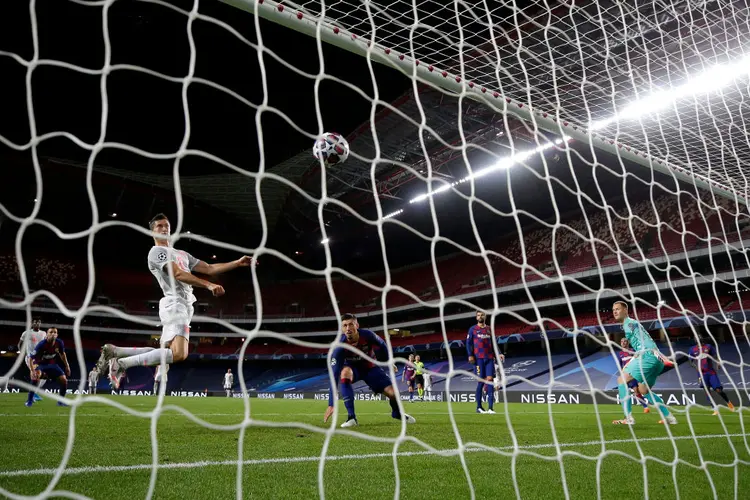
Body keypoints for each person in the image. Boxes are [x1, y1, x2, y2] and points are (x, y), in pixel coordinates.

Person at [96, 213, 255, 388]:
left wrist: (237, 263)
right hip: (174, 304)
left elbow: (209, 268)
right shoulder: (156, 252)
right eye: (159, 226)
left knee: (167, 352)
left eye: (167, 225)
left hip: (185, 305)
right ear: (152, 232)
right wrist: (209, 285)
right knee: (179, 354)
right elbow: (178, 274)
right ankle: (121, 364)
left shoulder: (181, 254)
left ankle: (116, 352)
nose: (164, 228)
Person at [323, 314, 416, 427]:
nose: (348, 328)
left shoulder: (367, 335)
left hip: (371, 368)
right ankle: (351, 418)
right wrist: (331, 404)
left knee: (394, 393)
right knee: (344, 372)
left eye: (351, 324)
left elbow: (382, 344)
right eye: (345, 325)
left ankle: (397, 414)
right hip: (353, 370)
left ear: (357, 325)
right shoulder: (339, 348)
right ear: (342, 328)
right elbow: (334, 376)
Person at [611, 301, 677, 425]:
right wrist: (662, 357)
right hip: (656, 359)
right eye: (613, 309)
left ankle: (628, 418)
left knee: (621, 380)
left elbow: (644, 342)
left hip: (646, 356)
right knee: (643, 390)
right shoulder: (631, 325)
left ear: (625, 310)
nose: (615, 311)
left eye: (618, 309)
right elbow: (647, 340)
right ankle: (669, 417)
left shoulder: (630, 323)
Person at [466, 310, 504, 414]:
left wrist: (499, 353)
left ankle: (491, 408)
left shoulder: (489, 329)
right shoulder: (472, 329)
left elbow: (494, 343)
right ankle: (479, 407)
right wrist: (470, 355)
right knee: (481, 382)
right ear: (476, 317)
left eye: (482, 315)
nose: (480, 316)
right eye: (478, 315)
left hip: (489, 358)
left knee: (490, 381)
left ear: (485, 317)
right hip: (478, 359)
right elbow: (468, 343)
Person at [689, 337, 735, 415]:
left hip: (711, 372)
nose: (702, 342)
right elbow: (690, 361)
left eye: (702, 341)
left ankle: (728, 402)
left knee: (718, 390)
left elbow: (715, 355)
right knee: (707, 391)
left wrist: (718, 362)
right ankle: (715, 409)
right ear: (697, 342)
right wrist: (697, 368)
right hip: (702, 374)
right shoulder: (692, 349)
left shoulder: (708, 346)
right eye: (700, 341)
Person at [26, 327, 70, 407]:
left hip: (52, 365)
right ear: (47, 335)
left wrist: (67, 366)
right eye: (51, 332)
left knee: (64, 380)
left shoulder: (59, 343)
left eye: (55, 332)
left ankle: (60, 402)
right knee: (36, 375)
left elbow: (62, 354)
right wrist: (32, 371)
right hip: (40, 364)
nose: (53, 333)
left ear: (57, 335)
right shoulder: (41, 344)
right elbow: (30, 358)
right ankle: (29, 400)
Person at [617, 338, 650, 413]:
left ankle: (652, 404)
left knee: (643, 390)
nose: (623, 343)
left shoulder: (633, 351)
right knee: (636, 391)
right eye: (622, 341)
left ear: (628, 343)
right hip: (628, 374)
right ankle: (645, 407)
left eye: (625, 341)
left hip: (637, 372)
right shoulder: (620, 354)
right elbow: (619, 365)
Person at [18, 318, 46, 402]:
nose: (37, 324)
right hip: (30, 357)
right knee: (36, 373)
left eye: (38, 322)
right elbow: (19, 344)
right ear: (32, 323)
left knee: (44, 377)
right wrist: (22, 353)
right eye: (35, 322)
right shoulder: (26, 333)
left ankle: (33, 393)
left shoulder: (43, 333)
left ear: (40, 323)